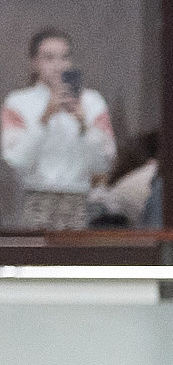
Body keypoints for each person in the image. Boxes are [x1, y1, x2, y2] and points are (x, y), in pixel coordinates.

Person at [3, 27, 117, 230]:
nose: (58, 65)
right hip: (36, 197)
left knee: (75, 260)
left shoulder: (92, 102)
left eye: (64, 58)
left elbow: (104, 163)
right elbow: (16, 160)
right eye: (49, 58)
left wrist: (83, 125)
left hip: (80, 199)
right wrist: (45, 118)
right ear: (34, 63)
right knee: (34, 259)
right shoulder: (18, 103)